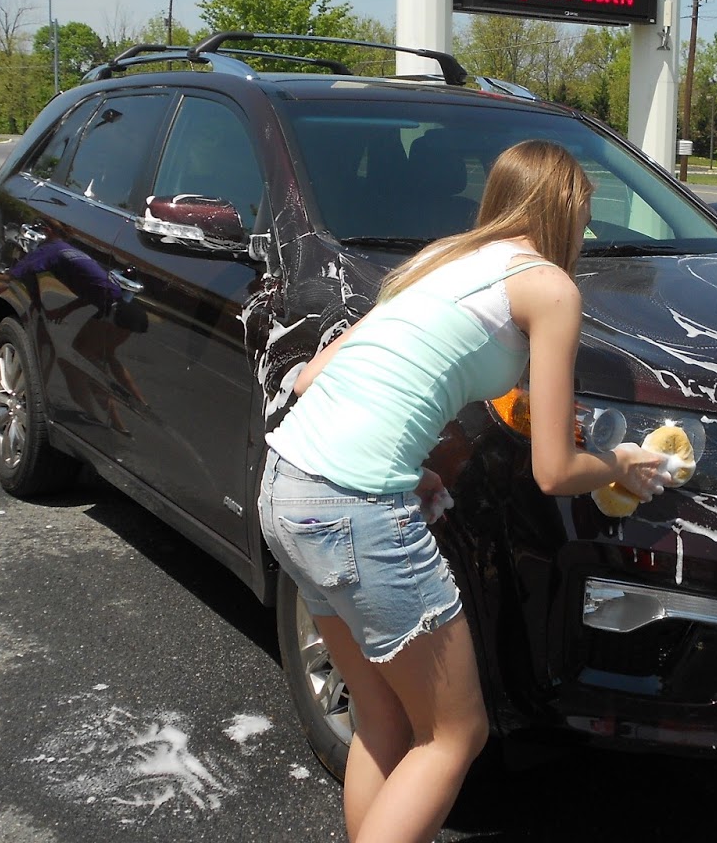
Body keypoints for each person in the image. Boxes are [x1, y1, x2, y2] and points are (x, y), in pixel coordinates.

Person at [258, 140, 670, 843]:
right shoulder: (548, 287)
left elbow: (314, 375)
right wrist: (620, 465)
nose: (590, 229)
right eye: (588, 211)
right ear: (565, 206)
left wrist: (402, 466)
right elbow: (554, 471)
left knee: (383, 721)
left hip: (285, 487)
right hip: (356, 513)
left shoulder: (438, 264)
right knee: (454, 734)